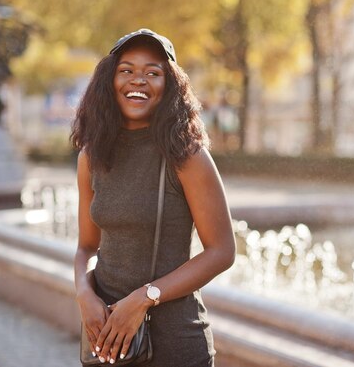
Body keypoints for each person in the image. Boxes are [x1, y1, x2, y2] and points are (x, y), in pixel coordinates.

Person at [70, 28, 235, 367]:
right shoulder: (92, 157)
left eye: (153, 72)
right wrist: (84, 295)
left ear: (170, 86)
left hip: (175, 345)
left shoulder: (187, 157)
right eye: (126, 70)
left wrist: (146, 297)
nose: (138, 80)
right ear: (109, 81)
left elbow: (222, 251)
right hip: (108, 345)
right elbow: (87, 246)